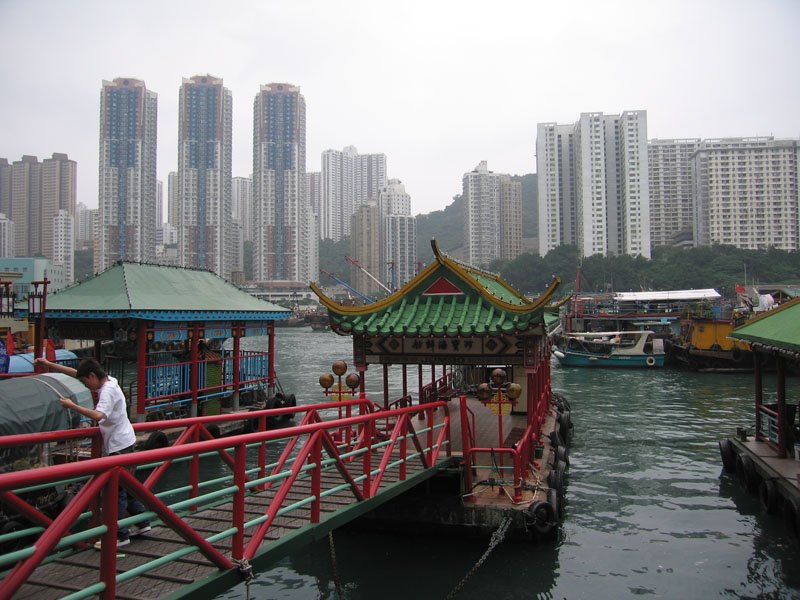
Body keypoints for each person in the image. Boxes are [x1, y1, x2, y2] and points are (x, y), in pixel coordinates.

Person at [35, 356, 150, 547]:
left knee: (115, 492)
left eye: (86, 382)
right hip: (125, 441)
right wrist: (49, 365)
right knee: (127, 489)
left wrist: (72, 406)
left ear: (92, 376)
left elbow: (98, 415)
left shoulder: (107, 392)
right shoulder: (109, 380)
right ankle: (143, 523)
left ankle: (119, 536)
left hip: (119, 446)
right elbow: (77, 374)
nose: (87, 386)